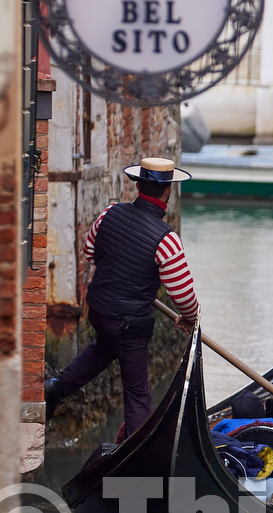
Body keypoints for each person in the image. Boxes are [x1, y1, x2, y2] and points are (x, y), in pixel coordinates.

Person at [45, 157, 200, 438]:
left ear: (139, 185)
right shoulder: (167, 240)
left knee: (102, 351)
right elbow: (184, 295)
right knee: (138, 393)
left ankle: (56, 387)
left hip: (101, 311)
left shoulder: (110, 214)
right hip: (129, 325)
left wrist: (120, 270)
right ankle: (137, 461)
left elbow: (90, 250)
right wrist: (189, 319)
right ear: (167, 192)